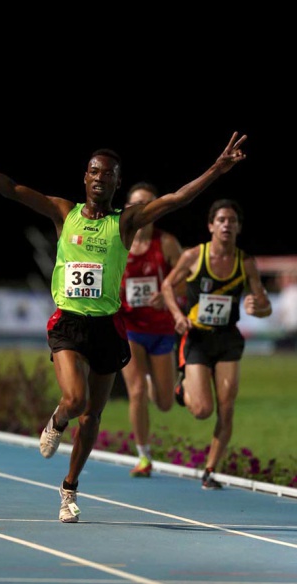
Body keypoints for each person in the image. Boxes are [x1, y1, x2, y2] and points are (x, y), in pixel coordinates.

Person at [0, 121, 247, 522]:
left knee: (92, 417)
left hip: (107, 328)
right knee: (75, 400)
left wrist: (216, 169)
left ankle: (69, 489)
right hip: (68, 322)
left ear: (118, 182)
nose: (100, 177)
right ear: (85, 177)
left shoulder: (125, 222)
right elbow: (11, 188)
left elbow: (176, 199)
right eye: (94, 171)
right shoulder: (63, 212)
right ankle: (57, 419)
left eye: (108, 173)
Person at [161, 199, 272, 490]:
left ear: (239, 228)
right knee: (202, 410)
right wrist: (177, 316)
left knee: (226, 406)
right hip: (197, 337)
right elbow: (167, 286)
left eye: (232, 221)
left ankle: (210, 470)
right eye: (221, 220)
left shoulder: (245, 262)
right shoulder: (194, 256)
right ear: (211, 225)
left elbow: (265, 307)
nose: (226, 225)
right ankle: (182, 388)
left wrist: (257, 307)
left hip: (227, 339)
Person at [119, 182, 184, 477]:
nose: (142, 209)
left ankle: (150, 380)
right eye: (136, 203)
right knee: (136, 392)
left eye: (147, 203)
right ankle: (143, 457)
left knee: (165, 403)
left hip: (161, 329)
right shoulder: (118, 242)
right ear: (127, 208)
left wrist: (167, 294)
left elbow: (186, 280)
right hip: (129, 327)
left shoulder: (166, 243)